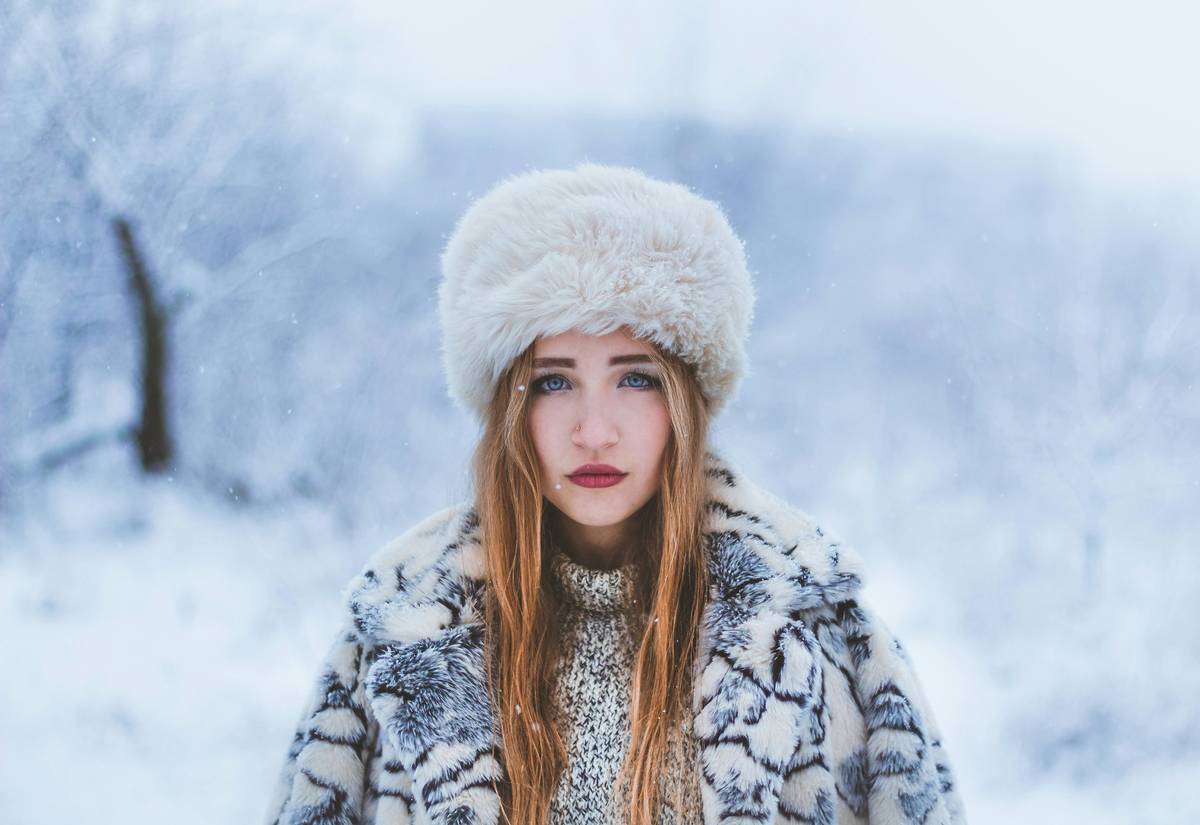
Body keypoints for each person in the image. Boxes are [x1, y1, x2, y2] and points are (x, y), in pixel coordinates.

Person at [262, 163, 967, 825]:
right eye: (553, 380)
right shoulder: (398, 636)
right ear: (508, 407)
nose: (594, 431)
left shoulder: (820, 635)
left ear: (685, 402)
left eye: (636, 378)